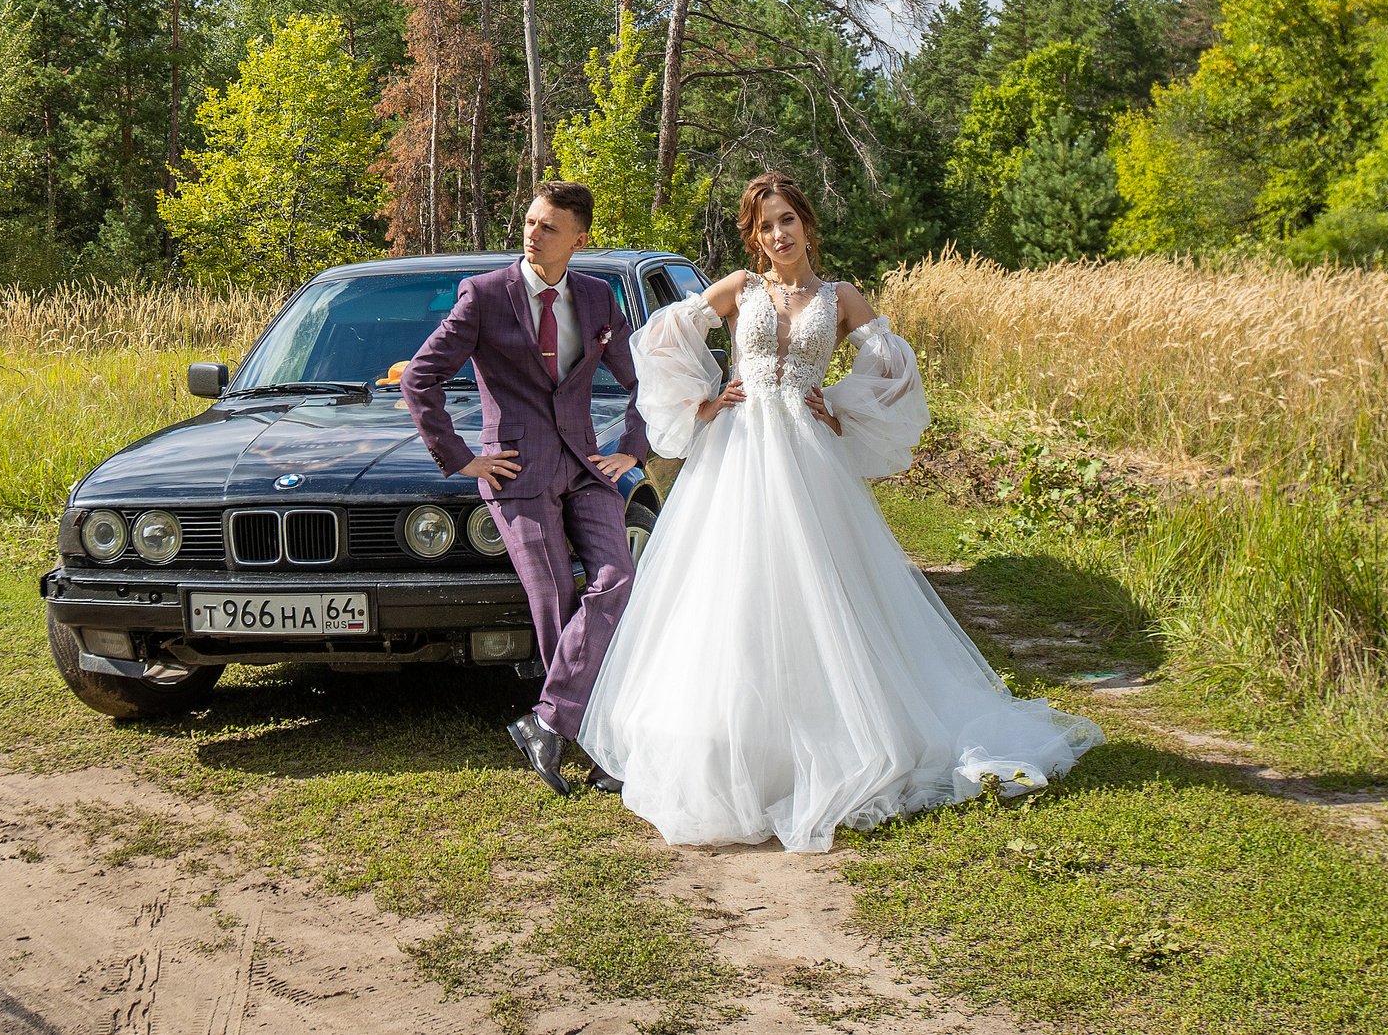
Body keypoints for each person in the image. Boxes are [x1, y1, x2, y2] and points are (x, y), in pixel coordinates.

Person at [577, 169, 1102, 849]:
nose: (777, 235)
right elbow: (660, 339)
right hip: (739, 453)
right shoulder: (741, 288)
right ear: (753, 235)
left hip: (808, 455)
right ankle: (731, 741)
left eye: (786, 221)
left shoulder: (841, 296)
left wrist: (844, 407)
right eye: (764, 226)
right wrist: (704, 401)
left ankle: (841, 729)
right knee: (734, 588)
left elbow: (895, 369)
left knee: (826, 588)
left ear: (805, 224)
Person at [400, 181, 652, 796]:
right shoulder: (485, 295)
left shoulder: (597, 297)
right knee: (556, 602)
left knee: (618, 579)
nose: (533, 233)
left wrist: (631, 448)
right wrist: (460, 459)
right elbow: (420, 379)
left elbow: (642, 378)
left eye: (549, 227)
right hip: (515, 473)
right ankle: (595, 746)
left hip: (588, 466)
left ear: (579, 240)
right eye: (531, 221)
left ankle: (546, 721)